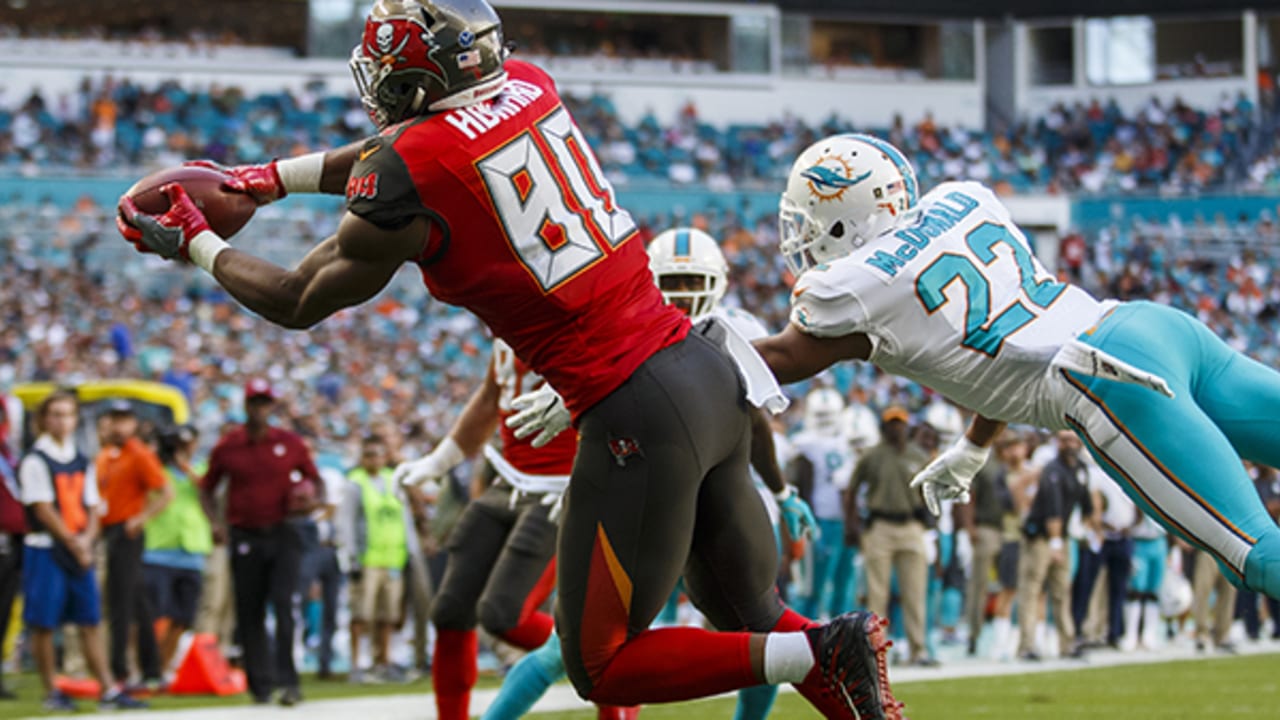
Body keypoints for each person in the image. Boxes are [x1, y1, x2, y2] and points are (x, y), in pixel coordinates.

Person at [115, 2, 899, 717]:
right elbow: (396, 153)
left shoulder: (408, 168)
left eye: (390, 74)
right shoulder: (526, 81)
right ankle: (839, 674)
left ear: (422, 78)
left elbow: (297, 296)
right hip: (705, 374)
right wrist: (269, 180)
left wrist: (199, 242)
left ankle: (826, 646)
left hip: (636, 405)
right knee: (748, 613)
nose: (380, 90)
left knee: (602, 665)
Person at [748, 132, 1280, 616]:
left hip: (1112, 382)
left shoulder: (858, 287)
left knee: (1255, 553)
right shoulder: (964, 198)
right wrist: (976, 446)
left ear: (847, 216)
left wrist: (678, 339)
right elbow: (1007, 337)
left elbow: (778, 360)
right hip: (1149, 325)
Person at [486, 226, 819, 720]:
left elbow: (755, 422)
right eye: (673, 281)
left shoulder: (734, 329)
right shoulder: (628, 330)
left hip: (716, 511)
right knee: (576, 646)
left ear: (718, 282)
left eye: (692, 281)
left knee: (754, 633)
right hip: (652, 508)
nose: (683, 295)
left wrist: (781, 491)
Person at [19, 390, 147, 712]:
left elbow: (92, 507)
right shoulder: (36, 459)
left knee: (90, 619)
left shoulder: (80, 458)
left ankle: (107, 688)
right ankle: (52, 690)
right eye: (56, 414)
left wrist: (88, 539)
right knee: (45, 623)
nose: (63, 421)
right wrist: (76, 543)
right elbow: (44, 509)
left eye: (68, 414)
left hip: (79, 547)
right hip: (48, 548)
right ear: (44, 420)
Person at [199, 379, 322, 706]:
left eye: (265, 402)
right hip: (245, 535)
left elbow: (315, 479)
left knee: (284, 604)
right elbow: (206, 487)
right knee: (249, 610)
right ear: (246, 405)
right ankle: (261, 686)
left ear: (272, 406)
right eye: (255, 402)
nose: (260, 409)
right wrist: (215, 523)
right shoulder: (228, 446)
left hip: (284, 532)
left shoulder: (290, 443)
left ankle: (289, 683)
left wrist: (312, 503)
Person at [845, 407, 934, 665]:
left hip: (911, 524)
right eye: (892, 424)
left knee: (915, 591)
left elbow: (930, 491)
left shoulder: (919, 455)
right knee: (877, 593)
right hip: (880, 525)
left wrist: (931, 527)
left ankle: (919, 649)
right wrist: (852, 525)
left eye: (900, 423)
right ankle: (876, 651)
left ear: (907, 426)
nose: (897, 428)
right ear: (884, 427)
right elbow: (852, 490)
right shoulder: (872, 456)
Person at [95, 399, 173, 689]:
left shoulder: (138, 453)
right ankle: (151, 668)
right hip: (109, 530)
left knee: (121, 604)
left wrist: (140, 519)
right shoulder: (107, 454)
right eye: (115, 419)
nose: (119, 425)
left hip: (126, 533)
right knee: (137, 603)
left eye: (124, 419)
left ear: (133, 423)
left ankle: (119, 670)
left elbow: (166, 492)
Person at [340, 434, 412, 683]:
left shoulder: (392, 480)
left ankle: (383, 661)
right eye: (368, 454)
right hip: (367, 558)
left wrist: (409, 551)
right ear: (362, 458)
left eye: (378, 454)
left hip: (393, 558)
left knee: (388, 616)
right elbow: (346, 522)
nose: (373, 459)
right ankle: (357, 664)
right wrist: (350, 558)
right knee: (361, 614)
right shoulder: (355, 483)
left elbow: (405, 519)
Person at [142, 424, 213, 673]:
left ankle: (162, 666)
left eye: (187, 444)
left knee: (183, 617)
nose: (182, 450)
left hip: (192, 550)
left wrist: (187, 468)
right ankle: (142, 665)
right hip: (158, 548)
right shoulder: (156, 469)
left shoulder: (202, 469)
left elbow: (208, 489)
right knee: (153, 615)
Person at [1016, 431, 1092, 660]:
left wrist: (1084, 529)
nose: (1069, 445)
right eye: (1064, 440)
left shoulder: (1080, 469)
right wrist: (1056, 543)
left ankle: (1066, 643)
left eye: (1072, 440)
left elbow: (1087, 504)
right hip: (1041, 538)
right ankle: (1026, 645)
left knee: (1062, 592)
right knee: (1031, 590)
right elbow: (1053, 511)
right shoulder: (1052, 470)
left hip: (1063, 537)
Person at [789, 387, 857, 621]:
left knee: (843, 584)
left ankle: (842, 637)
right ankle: (801, 634)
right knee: (812, 586)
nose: (825, 420)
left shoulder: (846, 440)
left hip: (844, 521)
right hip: (819, 519)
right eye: (820, 415)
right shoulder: (803, 443)